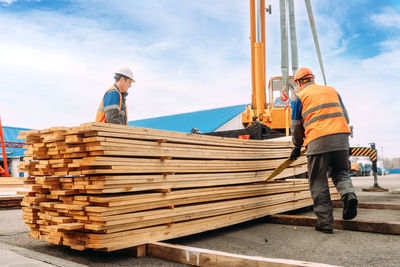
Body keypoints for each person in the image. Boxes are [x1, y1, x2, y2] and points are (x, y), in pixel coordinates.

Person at [290, 67, 358, 234]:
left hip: (318, 140)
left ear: (299, 83)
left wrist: (297, 146)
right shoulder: (331, 90)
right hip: (341, 138)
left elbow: (296, 126)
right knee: (341, 172)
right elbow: (346, 116)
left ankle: (325, 224)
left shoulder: (299, 97)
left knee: (318, 180)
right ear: (312, 78)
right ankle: (349, 195)